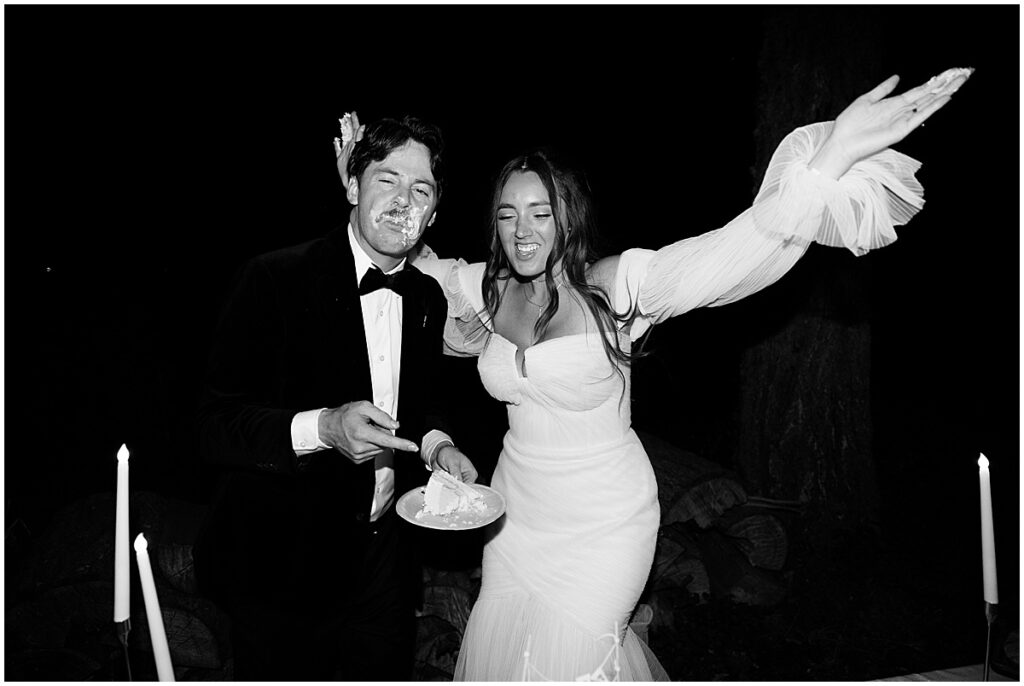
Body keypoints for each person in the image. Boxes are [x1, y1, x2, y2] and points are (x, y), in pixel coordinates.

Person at [338, 67, 972, 681]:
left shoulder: (617, 285)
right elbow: (407, 253)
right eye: (507, 214)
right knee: (504, 654)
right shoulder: (484, 288)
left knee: (576, 662)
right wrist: (366, 182)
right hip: (516, 516)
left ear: (568, 216)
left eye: (540, 211)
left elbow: (728, 255)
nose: (522, 230)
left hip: (606, 520)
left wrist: (829, 161)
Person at [195, 115, 479, 681]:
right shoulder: (272, 279)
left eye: (420, 189)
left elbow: (420, 408)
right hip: (282, 568)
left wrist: (437, 448)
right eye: (387, 179)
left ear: (435, 211)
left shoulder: (427, 298)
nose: (403, 200)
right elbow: (214, 424)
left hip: (385, 564)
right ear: (352, 185)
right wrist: (322, 427)